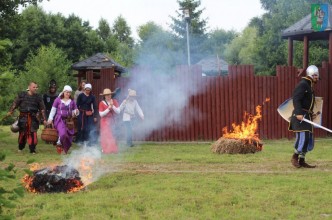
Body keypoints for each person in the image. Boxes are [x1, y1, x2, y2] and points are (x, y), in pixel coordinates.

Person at [289, 65, 320, 168]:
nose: (317, 78)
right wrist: (298, 113)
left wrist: (312, 113)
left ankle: (302, 160)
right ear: (313, 74)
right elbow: (296, 99)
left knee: (308, 138)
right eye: (316, 76)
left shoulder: (309, 86)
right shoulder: (303, 84)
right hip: (300, 116)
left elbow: (307, 103)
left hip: (307, 115)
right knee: (304, 137)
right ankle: (295, 157)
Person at [7, 81, 47, 154]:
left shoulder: (38, 97)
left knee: (33, 133)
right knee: (22, 133)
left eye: (36, 87)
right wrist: (11, 111)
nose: (35, 88)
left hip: (33, 118)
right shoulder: (22, 95)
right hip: (23, 118)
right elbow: (15, 103)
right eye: (34, 87)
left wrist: (44, 119)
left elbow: (42, 109)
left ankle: (32, 150)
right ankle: (20, 148)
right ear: (29, 87)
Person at [47, 85, 79, 154]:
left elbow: (75, 110)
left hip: (69, 121)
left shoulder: (72, 101)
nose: (68, 94)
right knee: (62, 134)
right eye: (67, 92)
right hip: (59, 120)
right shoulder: (58, 100)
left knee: (69, 136)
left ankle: (64, 149)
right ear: (63, 92)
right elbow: (53, 110)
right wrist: (50, 118)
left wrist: (76, 112)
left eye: (69, 92)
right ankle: (59, 145)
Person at [98, 88, 121, 153]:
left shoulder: (114, 101)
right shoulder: (101, 103)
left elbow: (118, 111)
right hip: (104, 121)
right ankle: (105, 148)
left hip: (112, 121)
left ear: (111, 95)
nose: (108, 96)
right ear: (104, 96)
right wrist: (109, 108)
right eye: (106, 95)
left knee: (113, 134)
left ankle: (112, 148)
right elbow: (101, 114)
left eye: (109, 95)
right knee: (106, 135)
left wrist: (112, 105)